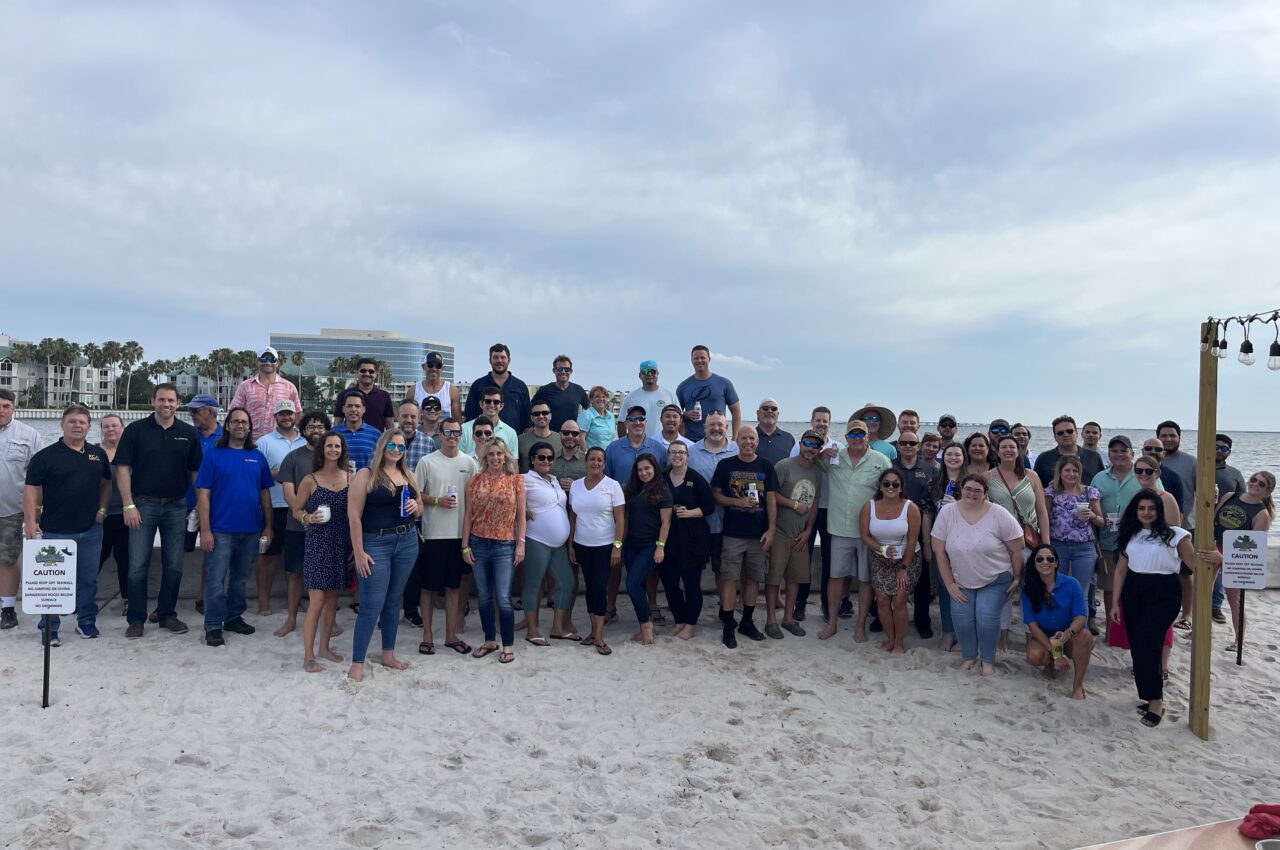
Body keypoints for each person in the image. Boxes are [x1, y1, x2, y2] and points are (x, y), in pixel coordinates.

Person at [115, 383, 203, 638]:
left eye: (171, 400)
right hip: (143, 505)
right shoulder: (136, 431)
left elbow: (196, 472)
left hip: (177, 507)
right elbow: (122, 468)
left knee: (174, 565)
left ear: (178, 403)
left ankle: (167, 614)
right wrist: (128, 504)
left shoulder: (188, 433)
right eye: (162, 400)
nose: (166, 404)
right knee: (137, 566)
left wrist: (199, 505)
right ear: (153, 401)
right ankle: (136, 620)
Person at [22, 404, 110, 642]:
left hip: (90, 530)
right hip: (55, 531)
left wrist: (102, 510)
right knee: (52, 583)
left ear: (89, 427)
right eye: (72, 421)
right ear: (62, 425)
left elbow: (106, 484)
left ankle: (86, 622)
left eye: (82, 422)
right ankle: (49, 628)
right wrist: (30, 522)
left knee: (88, 580)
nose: (77, 426)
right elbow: (31, 490)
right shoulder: (45, 457)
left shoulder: (97, 454)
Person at [1111, 489, 1197, 727]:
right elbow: (1120, 570)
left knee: (1149, 643)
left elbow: (1194, 565)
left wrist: (1215, 560)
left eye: (1151, 508)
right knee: (1138, 646)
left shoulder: (1176, 535)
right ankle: (1149, 696)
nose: (1146, 512)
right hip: (1134, 590)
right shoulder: (1131, 533)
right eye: (1142, 508)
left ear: (1159, 510)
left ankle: (1157, 701)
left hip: (1164, 591)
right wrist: (1115, 604)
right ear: (1135, 511)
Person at [194, 407, 274, 647]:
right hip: (221, 530)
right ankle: (212, 625)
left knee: (240, 579)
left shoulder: (257, 456)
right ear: (227, 426)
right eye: (236, 422)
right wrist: (205, 530)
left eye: (245, 422)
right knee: (216, 580)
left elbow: (265, 493)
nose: (240, 425)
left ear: (250, 427)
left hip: (251, 530)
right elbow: (204, 495)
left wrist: (269, 526)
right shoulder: (214, 455)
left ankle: (233, 617)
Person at [347, 429, 423, 681]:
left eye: (401, 447)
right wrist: (358, 551)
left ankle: (388, 654)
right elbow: (354, 515)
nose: (396, 451)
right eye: (392, 445)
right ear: (383, 446)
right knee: (371, 604)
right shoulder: (366, 474)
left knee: (393, 600)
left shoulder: (408, 474)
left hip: (407, 540)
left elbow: (420, 506)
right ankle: (357, 662)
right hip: (375, 542)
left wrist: (416, 506)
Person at [931, 474, 1024, 676]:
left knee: (985, 617)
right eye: (968, 489)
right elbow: (939, 551)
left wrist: (1017, 579)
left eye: (978, 490)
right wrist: (949, 584)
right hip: (961, 579)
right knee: (962, 619)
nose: (972, 493)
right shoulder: (948, 512)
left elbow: (1017, 548)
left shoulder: (999, 513)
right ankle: (969, 657)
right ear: (961, 489)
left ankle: (988, 661)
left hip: (996, 578)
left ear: (985, 494)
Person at [819, 418, 892, 643]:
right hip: (839, 528)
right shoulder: (833, 457)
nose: (857, 438)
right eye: (853, 435)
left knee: (865, 580)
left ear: (868, 437)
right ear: (846, 438)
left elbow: (890, 491)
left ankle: (860, 625)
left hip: (868, 532)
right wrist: (821, 453)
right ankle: (832, 623)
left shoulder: (881, 460)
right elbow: (810, 461)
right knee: (835, 577)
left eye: (861, 434)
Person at [413, 417, 478, 655]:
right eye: (448, 432)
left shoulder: (469, 463)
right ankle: (427, 636)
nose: (452, 436)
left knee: (454, 587)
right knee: (429, 588)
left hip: (460, 535)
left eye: (456, 432)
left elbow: (474, 498)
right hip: (433, 535)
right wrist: (437, 501)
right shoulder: (427, 462)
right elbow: (417, 494)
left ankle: (451, 636)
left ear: (462, 436)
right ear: (439, 434)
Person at [711, 426, 778, 648]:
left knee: (754, 578)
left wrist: (771, 529)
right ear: (736, 440)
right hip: (732, 533)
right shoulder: (726, 465)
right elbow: (716, 495)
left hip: (758, 534)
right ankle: (728, 624)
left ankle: (747, 622)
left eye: (752, 438)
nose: (748, 442)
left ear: (757, 442)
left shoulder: (766, 466)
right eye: (744, 438)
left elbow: (771, 500)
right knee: (729, 578)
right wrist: (737, 502)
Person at [461, 440, 525, 665]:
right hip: (478, 543)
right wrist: (465, 544)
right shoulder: (475, 481)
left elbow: (521, 516)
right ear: (485, 457)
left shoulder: (515, 481)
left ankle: (508, 644)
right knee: (485, 597)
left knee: (504, 598)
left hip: (505, 545)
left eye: (499, 454)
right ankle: (489, 640)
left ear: (505, 456)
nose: (495, 458)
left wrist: (521, 544)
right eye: (491, 454)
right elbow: (468, 514)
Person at [292, 430, 351, 672]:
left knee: (332, 599)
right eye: (329, 446)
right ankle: (309, 655)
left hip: (341, 543)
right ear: (322, 450)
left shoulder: (351, 477)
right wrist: (308, 517)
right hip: (318, 543)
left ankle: (325, 647)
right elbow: (296, 509)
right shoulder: (310, 480)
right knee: (316, 601)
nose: (334, 450)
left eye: (337, 447)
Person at [277, 410, 331, 638]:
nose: (316, 431)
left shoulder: (334, 457)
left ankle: (329, 622)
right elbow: (289, 494)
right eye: (311, 427)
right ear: (303, 430)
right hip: (297, 526)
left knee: (327, 575)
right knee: (294, 574)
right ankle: (291, 618)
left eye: (320, 427)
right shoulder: (293, 458)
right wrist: (304, 517)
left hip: (328, 527)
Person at [568, 446, 625, 655]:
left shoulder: (613, 486)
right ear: (586, 462)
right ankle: (593, 632)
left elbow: (620, 519)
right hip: (582, 545)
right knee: (591, 588)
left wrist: (617, 546)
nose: (595, 463)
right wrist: (571, 544)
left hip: (604, 545)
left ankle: (599, 637)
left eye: (600, 460)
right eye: (592, 459)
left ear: (604, 463)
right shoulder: (576, 486)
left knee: (599, 588)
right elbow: (573, 516)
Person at [765, 432, 822, 638]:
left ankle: (788, 619)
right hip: (779, 532)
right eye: (807, 443)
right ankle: (771, 621)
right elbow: (771, 495)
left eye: (815, 445)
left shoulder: (817, 471)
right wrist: (794, 504)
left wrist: (808, 530)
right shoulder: (784, 466)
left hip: (800, 535)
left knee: (795, 580)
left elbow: (815, 502)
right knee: (773, 579)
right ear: (800, 444)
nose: (810, 448)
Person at [1212, 470, 1276, 652]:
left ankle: (1238, 640)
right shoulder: (1230, 496)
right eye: (1254, 480)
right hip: (1215, 546)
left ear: (1267, 491)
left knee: (1235, 599)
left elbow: (1252, 548)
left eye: (1261, 484)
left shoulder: (1261, 514)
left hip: (1236, 556)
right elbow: (1214, 519)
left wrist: (1226, 558)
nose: (1255, 484)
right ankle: (1198, 630)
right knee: (1203, 592)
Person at [255, 400, 306, 621]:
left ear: (295, 416)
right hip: (274, 507)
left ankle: (295, 601)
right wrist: (283, 474)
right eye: (281, 414)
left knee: (297, 559)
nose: (286, 417)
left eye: (289, 414)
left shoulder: (306, 442)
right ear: (275, 416)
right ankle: (263, 601)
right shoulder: (263, 442)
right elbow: (258, 475)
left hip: (300, 508)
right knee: (269, 557)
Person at [860, 468, 921, 653]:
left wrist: (904, 567)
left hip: (907, 558)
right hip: (880, 557)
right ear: (880, 485)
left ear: (901, 487)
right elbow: (865, 536)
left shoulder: (910, 507)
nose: (891, 487)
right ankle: (890, 638)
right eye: (887, 483)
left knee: (900, 599)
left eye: (895, 484)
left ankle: (900, 642)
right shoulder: (869, 506)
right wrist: (882, 549)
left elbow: (912, 540)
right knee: (882, 599)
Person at [1021, 544, 1093, 699]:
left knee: (1085, 636)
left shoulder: (1071, 583)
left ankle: (1078, 685)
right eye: (1039, 559)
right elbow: (1032, 625)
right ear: (1034, 563)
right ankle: (1050, 664)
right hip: (1046, 636)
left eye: (1050, 558)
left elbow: (1081, 616)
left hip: (1068, 634)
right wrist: (1055, 653)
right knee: (1034, 655)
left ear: (1056, 563)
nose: (1045, 562)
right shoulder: (1028, 589)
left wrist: (1068, 632)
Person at [789, 407, 840, 623]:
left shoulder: (838, 446)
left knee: (829, 560)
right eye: (818, 420)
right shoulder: (800, 444)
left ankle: (828, 606)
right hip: (806, 508)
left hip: (831, 509)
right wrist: (819, 455)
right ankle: (800, 603)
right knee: (804, 558)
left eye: (825, 421)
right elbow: (799, 464)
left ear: (830, 423)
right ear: (811, 421)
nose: (821, 423)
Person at [522, 442, 576, 644]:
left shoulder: (554, 480)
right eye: (541, 457)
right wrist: (522, 506)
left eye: (550, 458)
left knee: (567, 583)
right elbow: (508, 491)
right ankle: (532, 630)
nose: (546, 461)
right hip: (536, 540)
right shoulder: (524, 479)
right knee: (534, 585)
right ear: (533, 459)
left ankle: (558, 627)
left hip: (558, 544)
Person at [1043, 456, 1103, 636]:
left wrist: (1092, 515)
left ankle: (1080, 633)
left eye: (1075, 471)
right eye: (1067, 470)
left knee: (1081, 591)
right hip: (1058, 545)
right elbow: (1044, 518)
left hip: (1084, 547)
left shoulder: (1090, 492)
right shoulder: (1050, 492)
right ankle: (1058, 628)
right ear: (1060, 472)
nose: (1071, 474)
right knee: (1056, 588)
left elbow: (1101, 521)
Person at [662, 441, 715, 640]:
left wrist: (690, 512)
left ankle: (691, 624)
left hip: (693, 540)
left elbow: (709, 506)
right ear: (668, 455)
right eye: (673, 452)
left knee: (692, 585)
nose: (677, 456)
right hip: (668, 539)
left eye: (681, 452)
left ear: (687, 456)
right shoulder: (661, 478)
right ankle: (680, 619)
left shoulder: (697, 479)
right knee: (670, 583)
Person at [0, 388, 42, 630]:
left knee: (7, 559)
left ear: (14, 408)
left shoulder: (29, 435)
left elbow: (39, 478)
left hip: (12, 510)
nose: (1, 410)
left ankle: (7, 609)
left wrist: (35, 512)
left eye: (6, 406)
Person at [622, 453, 672, 645]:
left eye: (647, 469)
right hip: (632, 545)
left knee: (632, 583)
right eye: (640, 469)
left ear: (654, 469)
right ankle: (643, 624)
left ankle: (646, 626)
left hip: (651, 546)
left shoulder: (662, 490)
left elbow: (666, 522)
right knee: (638, 586)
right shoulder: (633, 490)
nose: (644, 473)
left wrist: (660, 547)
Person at [894, 430, 938, 638]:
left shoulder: (931, 469)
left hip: (922, 529)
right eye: (904, 442)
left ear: (919, 446)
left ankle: (922, 620)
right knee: (890, 572)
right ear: (898, 445)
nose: (908, 446)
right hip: (893, 529)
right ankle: (880, 616)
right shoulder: (890, 467)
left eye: (912, 443)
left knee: (922, 580)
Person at [396, 398, 435, 627]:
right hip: (389, 514)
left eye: (413, 416)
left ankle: (410, 609)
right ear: (397, 417)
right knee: (389, 567)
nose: (408, 420)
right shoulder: (388, 440)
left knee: (413, 567)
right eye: (405, 416)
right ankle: (387, 612)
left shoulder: (427, 442)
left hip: (417, 514)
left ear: (418, 418)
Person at [688, 412, 739, 589]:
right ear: (704, 428)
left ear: (727, 428)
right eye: (712, 425)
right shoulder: (691, 453)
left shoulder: (737, 450)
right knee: (694, 568)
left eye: (720, 425)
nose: (716, 428)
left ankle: (724, 607)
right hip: (699, 521)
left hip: (728, 521)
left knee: (723, 569)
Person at [928, 444, 967, 651]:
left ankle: (963, 632)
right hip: (941, 542)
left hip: (965, 544)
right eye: (949, 454)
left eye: (957, 454)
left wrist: (958, 506)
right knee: (944, 588)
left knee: (964, 586)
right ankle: (948, 631)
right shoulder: (935, 481)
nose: (953, 458)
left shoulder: (970, 482)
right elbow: (927, 514)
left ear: (963, 457)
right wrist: (927, 543)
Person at [230, 346, 302, 440]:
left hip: (280, 442)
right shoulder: (245, 386)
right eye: (263, 359)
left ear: (277, 363)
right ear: (257, 361)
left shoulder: (289, 387)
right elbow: (234, 413)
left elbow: (298, 414)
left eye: (272, 359)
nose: (268, 363)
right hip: (250, 442)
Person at [1210, 434, 1246, 623]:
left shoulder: (1235, 474)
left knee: (1221, 571)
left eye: (1224, 448)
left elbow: (1244, 502)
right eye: (1216, 446)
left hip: (1226, 530)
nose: (1219, 450)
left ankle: (1215, 607)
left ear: (1229, 453)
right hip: (1200, 525)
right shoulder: (1199, 468)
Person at [97, 414, 130, 617]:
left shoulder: (131, 452)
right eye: (106, 426)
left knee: (125, 559)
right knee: (96, 558)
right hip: (99, 515)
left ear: (123, 428)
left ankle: (128, 599)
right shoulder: (93, 452)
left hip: (125, 514)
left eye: (115, 426)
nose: (111, 429)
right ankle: (80, 598)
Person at [676, 345, 741, 443]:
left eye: (702, 358)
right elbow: (675, 414)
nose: (699, 361)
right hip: (691, 441)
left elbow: (736, 411)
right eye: (696, 358)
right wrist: (684, 415)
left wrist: (735, 437)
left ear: (709, 359)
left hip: (717, 439)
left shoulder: (723, 383)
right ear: (692, 360)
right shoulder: (683, 387)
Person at [462, 343, 531, 433]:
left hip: (512, 440)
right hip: (482, 439)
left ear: (509, 360)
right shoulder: (478, 385)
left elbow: (527, 420)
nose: (499, 360)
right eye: (495, 357)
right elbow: (470, 416)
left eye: (503, 357)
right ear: (490, 360)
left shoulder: (520, 387)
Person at [1033, 415, 1104, 486]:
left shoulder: (1094, 457)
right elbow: (1036, 487)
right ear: (1055, 437)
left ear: (1076, 433)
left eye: (1069, 431)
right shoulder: (1043, 459)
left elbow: (1103, 484)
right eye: (1060, 433)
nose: (1065, 434)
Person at [605, 405, 668, 483]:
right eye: (632, 419)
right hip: (621, 495)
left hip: (651, 495)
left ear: (646, 422)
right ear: (626, 423)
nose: (638, 422)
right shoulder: (612, 449)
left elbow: (665, 479)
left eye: (641, 418)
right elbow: (605, 480)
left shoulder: (659, 449)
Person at [531, 354, 590, 431]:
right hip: (549, 437)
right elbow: (530, 409)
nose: (563, 372)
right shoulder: (544, 390)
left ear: (571, 371)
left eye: (567, 369)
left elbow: (590, 411)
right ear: (554, 371)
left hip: (571, 437)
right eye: (559, 369)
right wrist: (530, 427)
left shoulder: (578, 390)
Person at [333, 358, 394, 431]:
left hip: (377, 440)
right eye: (363, 371)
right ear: (356, 373)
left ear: (376, 374)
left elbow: (390, 425)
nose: (367, 374)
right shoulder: (345, 395)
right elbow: (337, 422)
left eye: (371, 371)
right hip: (349, 439)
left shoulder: (384, 396)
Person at [622, 360, 676, 439]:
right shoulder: (630, 397)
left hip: (664, 444)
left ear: (657, 374)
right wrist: (625, 445)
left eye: (652, 371)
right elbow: (621, 423)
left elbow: (679, 421)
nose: (649, 374)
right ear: (640, 375)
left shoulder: (670, 395)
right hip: (638, 445)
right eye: (645, 371)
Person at [459, 386, 519, 456]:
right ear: (481, 404)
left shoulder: (511, 433)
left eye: (496, 402)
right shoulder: (464, 429)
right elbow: (458, 460)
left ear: (501, 406)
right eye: (488, 401)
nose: (491, 405)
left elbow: (513, 464)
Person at [334, 392, 381, 470]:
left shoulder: (376, 434)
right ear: (343, 409)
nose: (353, 409)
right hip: (340, 481)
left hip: (367, 481)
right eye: (349, 406)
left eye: (357, 406)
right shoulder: (333, 433)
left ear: (363, 409)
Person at [412, 352, 460, 420]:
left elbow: (457, 422)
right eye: (430, 365)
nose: (434, 369)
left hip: (444, 430)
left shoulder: (452, 391)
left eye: (438, 366)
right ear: (423, 366)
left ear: (442, 368)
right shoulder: (413, 391)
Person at [518, 400, 557, 474]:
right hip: (527, 484)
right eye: (536, 414)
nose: (541, 416)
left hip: (554, 484)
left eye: (545, 413)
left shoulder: (560, 439)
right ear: (531, 418)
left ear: (550, 416)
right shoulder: (520, 440)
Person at [755, 397, 795, 465]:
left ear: (778, 414)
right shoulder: (749, 437)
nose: (769, 411)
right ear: (758, 413)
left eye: (774, 409)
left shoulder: (788, 438)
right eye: (765, 408)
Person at [577, 385, 617, 452]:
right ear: (591, 400)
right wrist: (586, 455)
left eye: (604, 397)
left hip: (609, 456)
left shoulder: (611, 416)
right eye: (597, 396)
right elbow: (581, 438)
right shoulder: (586, 415)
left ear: (607, 399)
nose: (601, 399)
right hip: (593, 458)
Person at [551, 421, 587, 492]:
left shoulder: (588, 460)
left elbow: (595, 486)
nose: (570, 436)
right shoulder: (549, 459)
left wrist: (576, 486)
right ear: (560, 434)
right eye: (566, 433)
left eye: (574, 433)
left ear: (579, 436)